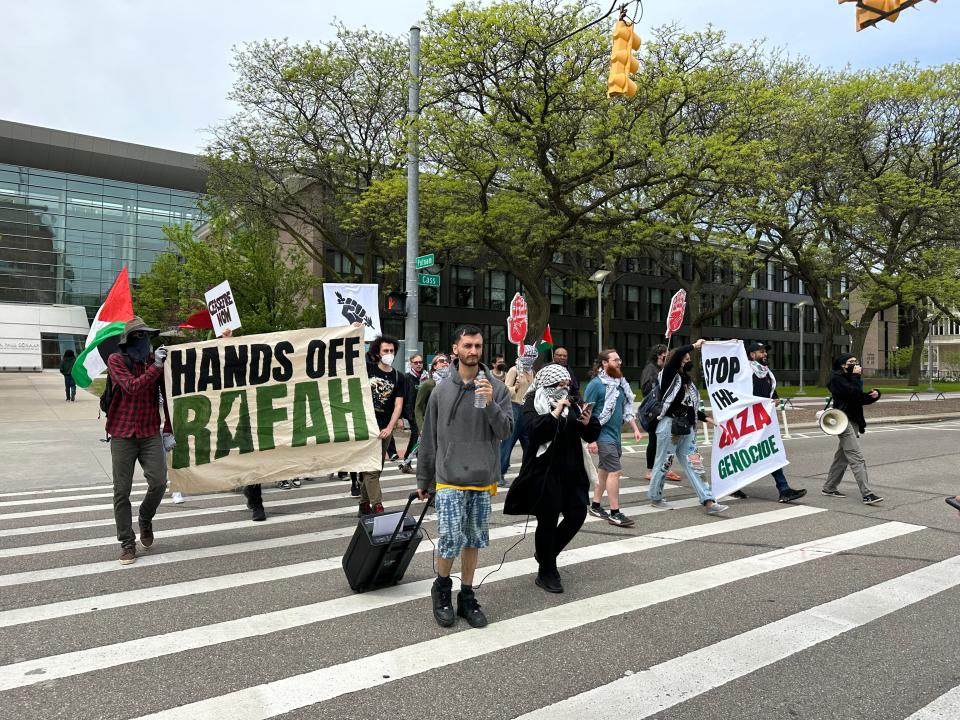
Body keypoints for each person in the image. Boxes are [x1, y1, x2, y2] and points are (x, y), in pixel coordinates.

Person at [416, 325, 513, 629]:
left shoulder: (497, 388)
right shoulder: (440, 390)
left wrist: (491, 405)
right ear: (455, 349)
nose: (473, 351)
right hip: (448, 477)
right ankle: (442, 588)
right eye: (468, 346)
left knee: (473, 540)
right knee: (449, 540)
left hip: (482, 478)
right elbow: (429, 437)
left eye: (478, 346)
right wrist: (424, 479)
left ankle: (466, 596)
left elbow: (507, 431)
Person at [505, 364, 600, 593]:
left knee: (577, 514)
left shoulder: (573, 403)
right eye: (560, 384)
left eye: (567, 383)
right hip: (544, 471)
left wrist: (588, 423)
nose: (564, 388)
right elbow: (534, 431)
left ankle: (546, 554)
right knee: (547, 520)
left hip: (572, 469)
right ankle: (547, 571)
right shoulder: (532, 402)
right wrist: (555, 413)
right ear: (547, 384)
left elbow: (588, 433)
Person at [104, 316, 173, 565]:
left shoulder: (155, 361)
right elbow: (132, 387)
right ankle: (126, 542)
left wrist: (169, 428)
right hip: (122, 433)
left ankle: (145, 518)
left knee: (159, 482)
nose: (144, 340)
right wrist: (155, 367)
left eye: (147, 335)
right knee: (121, 491)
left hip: (149, 431)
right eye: (139, 335)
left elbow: (168, 393)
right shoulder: (116, 360)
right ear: (128, 339)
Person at [648, 340, 729, 515]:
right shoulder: (667, 376)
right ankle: (655, 497)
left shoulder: (688, 382)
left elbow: (690, 407)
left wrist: (707, 418)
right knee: (664, 463)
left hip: (687, 429)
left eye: (688, 357)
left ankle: (708, 501)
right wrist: (694, 345)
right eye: (685, 357)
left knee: (695, 464)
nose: (687, 359)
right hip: (669, 426)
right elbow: (677, 355)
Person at [583, 349, 644, 527]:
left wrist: (634, 428)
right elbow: (586, 413)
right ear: (604, 363)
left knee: (604, 472)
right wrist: (591, 439)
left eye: (619, 359)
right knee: (615, 471)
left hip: (615, 436)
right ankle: (615, 512)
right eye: (615, 360)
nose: (619, 363)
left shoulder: (619, 384)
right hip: (601, 435)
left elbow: (626, 409)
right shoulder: (596, 385)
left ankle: (595, 505)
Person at [742, 342, 807, 503]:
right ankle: (731, 486)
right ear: (752, 355)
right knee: (742, 454)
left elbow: (770, 389)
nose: (765, 354)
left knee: (771, 451)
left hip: (764, 421)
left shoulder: (765, 372)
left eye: (765, 352)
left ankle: (784, 489)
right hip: (748, 422)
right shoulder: (744, 372)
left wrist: (775, 398)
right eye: (761, 352)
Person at [821, 353, 884, 505]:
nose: (855, 364)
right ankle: (867, 494)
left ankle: (829, 487)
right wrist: (856, 377)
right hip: (843, 421)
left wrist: (874, 395)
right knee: (856, 457)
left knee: (842, 457)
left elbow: (859, 398)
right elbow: (853, 394)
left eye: (855, 361)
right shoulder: (836, 379)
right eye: (851, 362)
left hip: (853, 420)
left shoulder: (849, 378)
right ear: (843, 365)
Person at [359, 335, 406, 516]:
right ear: (377, 353)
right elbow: (352, 356)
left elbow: (398, 405)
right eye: (385, 351)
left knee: (376, 468)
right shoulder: (368, 370)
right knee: (371, 469)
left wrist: (390, 427)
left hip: (384, 428)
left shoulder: (398, 377)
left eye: (391, 351)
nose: (389, 354)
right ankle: (377, 506)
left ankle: (363, 503)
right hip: (366, 425)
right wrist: (356, 333)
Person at [639, 344, 680, 483]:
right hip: (655, 410)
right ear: (659, 355)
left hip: (663, 408)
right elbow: (646, 389)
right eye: (666, 354)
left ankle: (662, 467)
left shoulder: (661, 369)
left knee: (663, 439)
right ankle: (651, 470)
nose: (667, 356)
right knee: (654, 439)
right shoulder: (651, 369)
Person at [499, 346, 537, 486]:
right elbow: (505, 389)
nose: (531, 358)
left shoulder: (531, 371)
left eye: (533, 356)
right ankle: (500, 474)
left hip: (527, 409)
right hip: (514, 408)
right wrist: (515, 387)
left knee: (529, 444)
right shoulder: (514, 370)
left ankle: (528, 473)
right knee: (508, 443)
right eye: (528, 355)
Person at [397, 353, 427, 473]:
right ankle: (407, 462)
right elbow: (402, 397)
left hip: (423, 412)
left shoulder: (425, 377)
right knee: (417, 436)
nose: (419, 364)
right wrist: (400, 417)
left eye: (420, 362)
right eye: (416, 362)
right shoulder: (407, 378)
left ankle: (411, 462)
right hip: (412, 413)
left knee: (418, 437)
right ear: (411, 364)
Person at [415, 354, 450, 431]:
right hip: (432, 425)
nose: (445, 363)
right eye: (441, 361)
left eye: (447, 361)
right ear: (434, 366)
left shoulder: (453, 383)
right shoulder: (428, 384)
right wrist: (421, 428)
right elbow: (418, 407)